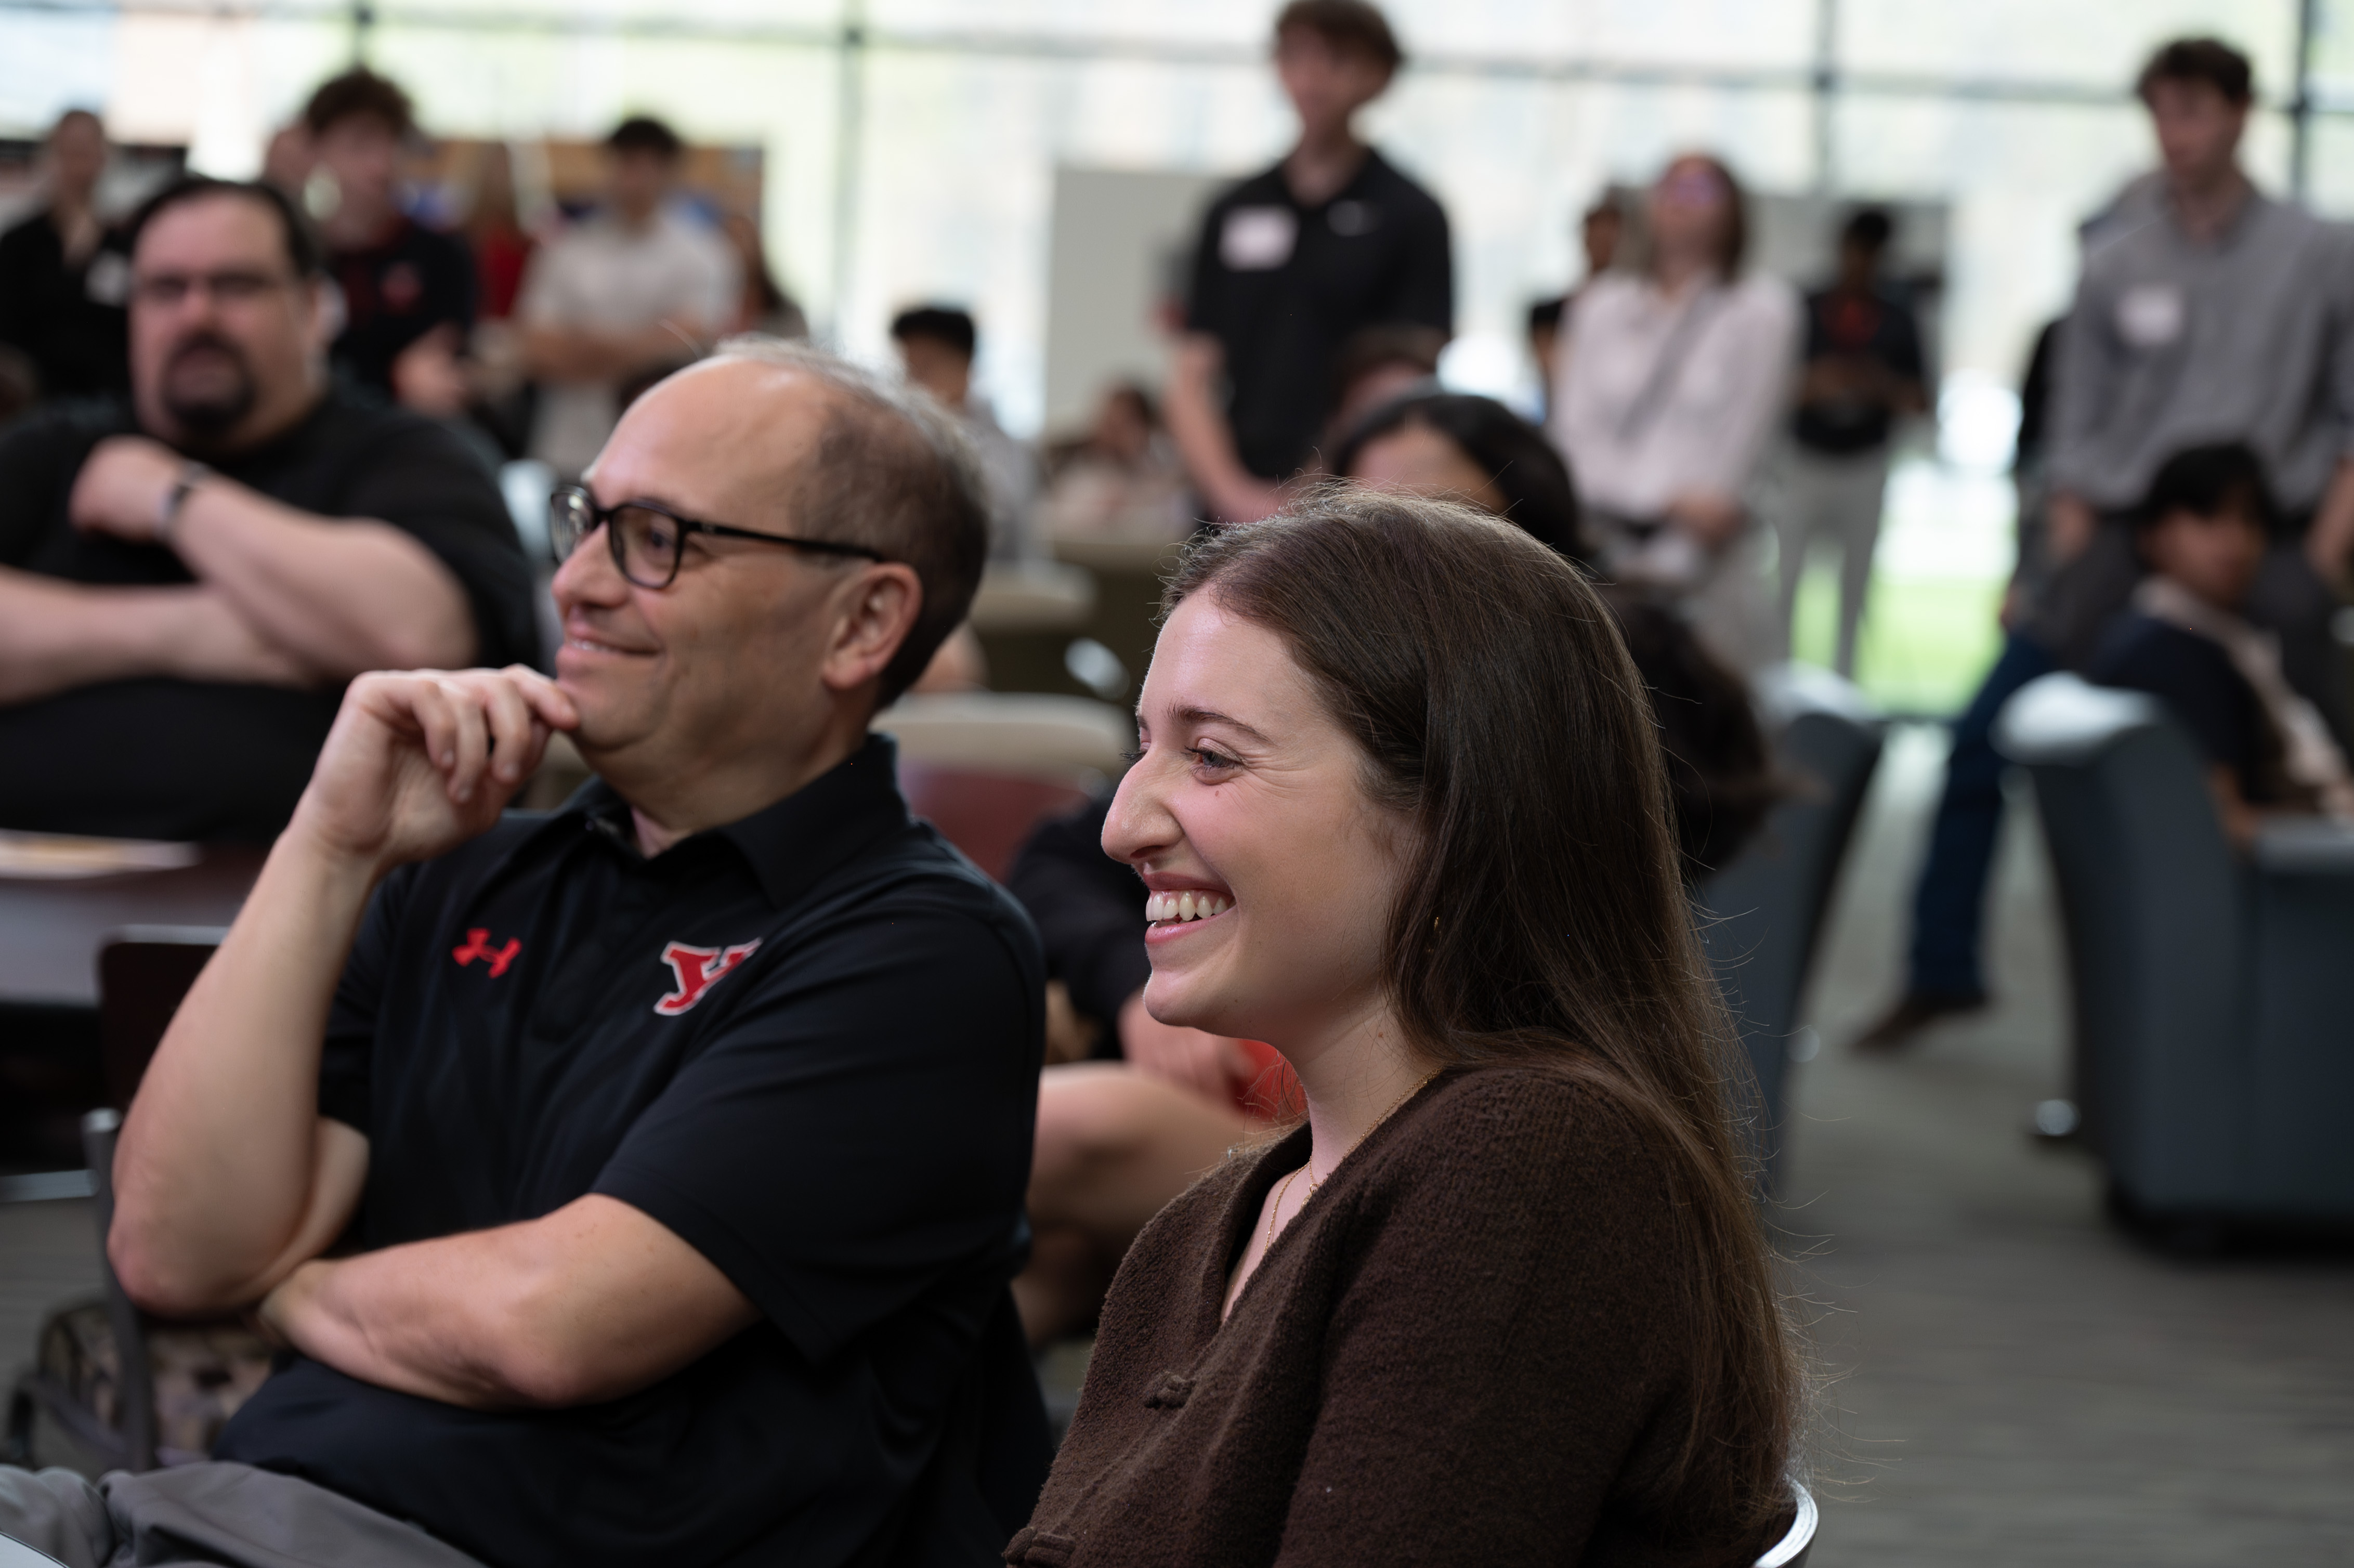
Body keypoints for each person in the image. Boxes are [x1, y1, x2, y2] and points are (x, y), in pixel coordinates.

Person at [0, 338, 1050, 1567]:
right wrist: (330, 844)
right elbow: (175, 1248)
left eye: (656, 536)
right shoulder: (457, 864)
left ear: (861, 620)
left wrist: (288, 1284)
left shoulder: (919, 949)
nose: (578, 583)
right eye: (584, 518)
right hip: (208, 1512)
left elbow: (550, 1323)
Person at [1006, 492, 1801, 1566]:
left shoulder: (1526, 1169)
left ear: (1448, 814)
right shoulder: (1199, 1231)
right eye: (1143, 746)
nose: (1121, 822)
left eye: (1212, 758)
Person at [1860, 35, 2354, 1048]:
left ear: (2237, 115)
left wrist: (2324, 554)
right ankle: (1939, 967)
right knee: (1981, 734)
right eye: (2161, 114)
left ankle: (2295, 1016)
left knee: (2309, 760)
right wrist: (2058, 545)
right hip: (2126, 537)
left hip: (2262, 544)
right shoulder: (2115, 257)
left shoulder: (2317, 251)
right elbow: (2071, 424)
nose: (2177, 135)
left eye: (2196, 112)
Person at [0, 176, 537, 843]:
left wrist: (175, 498)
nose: (196, 316)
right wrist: (199, 632)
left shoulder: (410, 453)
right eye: (166, 289)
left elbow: (421, 637)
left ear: (314, 307)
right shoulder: (55, 449)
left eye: (236, 286)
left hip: (329, 916)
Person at [1168, 0, 1450, 521]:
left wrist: (1317, 488)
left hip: (1352, 498)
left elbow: (1405, 374)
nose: (1313, 76)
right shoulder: (1234, 208)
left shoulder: (1410, 213)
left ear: (1379, 75)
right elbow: (1191, 370)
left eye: (1337, 58)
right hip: (1230, 497)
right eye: (1296, 55)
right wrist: (1230, 491)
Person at [1551, 153, 1800, 672]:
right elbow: (1571, 439)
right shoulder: (1601, 306)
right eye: (1670, 188)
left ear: (1732, 210)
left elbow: (1745, 440)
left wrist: (1680, 541)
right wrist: (1662, 500)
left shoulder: (1761, 310)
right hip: (1604, 546)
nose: (1682, 205)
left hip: (1707, 561)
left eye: (1702, 192)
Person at [2087, 443, 2354, 844]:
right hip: (2303, 881)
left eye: (2249, 520)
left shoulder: (2210, 633)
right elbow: (2219, 827)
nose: (2234, 539)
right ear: (2154, 534)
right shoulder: (2175, 649)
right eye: (2207, 516)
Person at [519, 115, 739, 478]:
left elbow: (688, 344)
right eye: (624, 163)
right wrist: (644, 346)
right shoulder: (570, 248)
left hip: (667, 450)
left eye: (645, 165)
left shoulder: (703, 254)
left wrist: (585, 345)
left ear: (669, 172)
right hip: (571, 446)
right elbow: (536, 349)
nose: (633, 178)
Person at [1775, 206, 1928, 676]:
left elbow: (1920, 400)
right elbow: (1768, 386)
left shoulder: (1897, 318)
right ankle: (1778, 681)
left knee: (1856, 586)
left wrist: (1877, 384)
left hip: (1864, 463)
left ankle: (1845, 686)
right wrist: (1816, 384)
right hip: (1806, 461)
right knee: (1788, 578)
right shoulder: (1806, 307)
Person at [302, 69, 477, 416]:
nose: (380, 164)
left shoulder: (442, 254)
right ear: (319, 150)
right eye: (360, 145)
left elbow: (447, 372)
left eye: (392, 143)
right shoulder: (298, 256)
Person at [0, 109, 132, 400]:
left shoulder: (126, 244)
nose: (79, 162)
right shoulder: (20, 243)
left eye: (88, 149)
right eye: (69, 150)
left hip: (111, 400)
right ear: (51, 156)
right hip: (32, 403)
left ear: (105, 157)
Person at [892, 304, 1038, 560]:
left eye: (925, 368)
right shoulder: (906, 431)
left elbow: (1000, 526)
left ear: (967, 365)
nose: (911, 384)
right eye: (907, 368)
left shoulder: (1002, 449)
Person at [1037, 382, 1192, 542]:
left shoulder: (1161, 470)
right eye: (1109, 423)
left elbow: (1171, 514)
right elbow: (1052, 521)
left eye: (1124, 425)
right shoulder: (1073, 465)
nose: (1112, 435)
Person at [1527, 196, 1625, 419]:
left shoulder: (1640, 316)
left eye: (1611, 239)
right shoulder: (1547, 313)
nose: (1604, 245)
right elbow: (1558, 377)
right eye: (1597, 236)